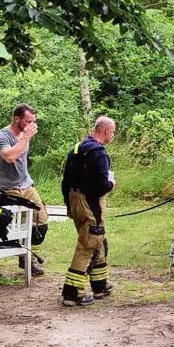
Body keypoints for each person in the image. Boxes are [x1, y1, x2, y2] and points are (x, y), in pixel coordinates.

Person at [61, 116, 117, 307]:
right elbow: (101, 186)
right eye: (113, 132)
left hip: (74, 200)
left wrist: (69, 205)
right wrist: (111, 184)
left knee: (96, 241)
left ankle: (100, 285)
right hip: (90, 204)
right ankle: (72, 292)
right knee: (89, 243)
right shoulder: (99, 154)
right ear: (105, 130)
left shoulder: (76, 149)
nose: (113, 135)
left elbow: (65, 180)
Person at [0, 104, 47, 276]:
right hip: (5, 189)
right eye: (28, 121)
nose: (31, 125)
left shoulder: (24, 134)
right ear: (16, 119)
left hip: (26, 185)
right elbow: (10, 157)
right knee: (1, 227)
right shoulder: (1, 136)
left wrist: (25, 137)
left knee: (41, 221)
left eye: (33, 121)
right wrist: (25, 138)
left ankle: (27, 259)